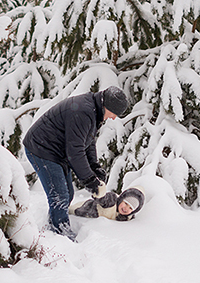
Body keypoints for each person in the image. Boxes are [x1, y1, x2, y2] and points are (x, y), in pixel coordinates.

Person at [23, 86, 129, 240]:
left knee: (68, 193)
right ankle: (60, 234)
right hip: (41, 148)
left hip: (57, 151)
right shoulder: (84, 112)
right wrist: (89, 180)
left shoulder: (94, 111)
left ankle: (54, 225)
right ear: (107, 106)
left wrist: (94, 167)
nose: (113, 118)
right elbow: (75, 151)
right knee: (60, 196)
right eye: (114, 113)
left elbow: (87, 142)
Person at [69, 186, 145, 221]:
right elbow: (104, 199)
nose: (126, 208)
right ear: (121, 199)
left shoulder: (128, 217)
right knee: (70, 209)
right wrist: (100, 194)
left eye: (131, 208)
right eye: (126, 203)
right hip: (85, 208)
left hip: (94, 219)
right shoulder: (111, 200)